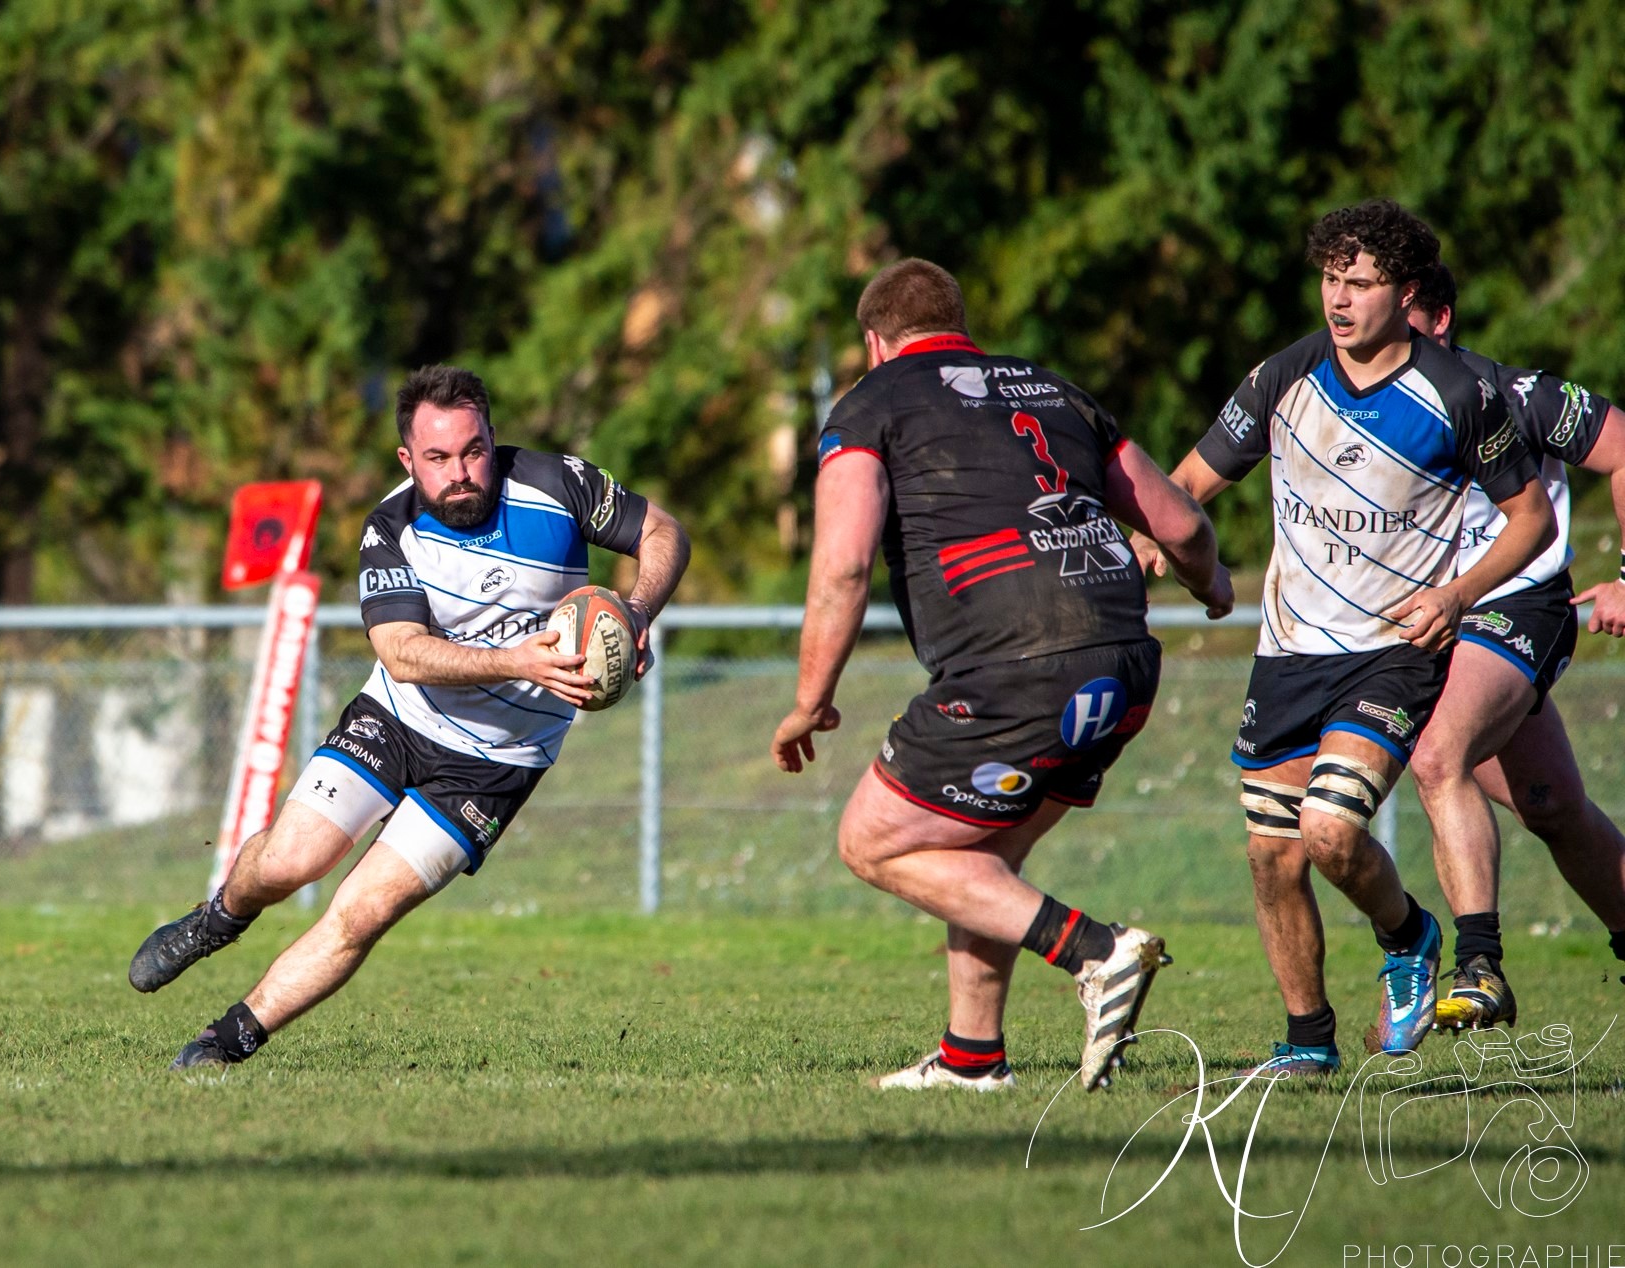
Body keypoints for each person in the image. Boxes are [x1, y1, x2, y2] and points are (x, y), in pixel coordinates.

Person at [129, 365, 691, 1068]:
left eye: (474, 450)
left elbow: (664, 531)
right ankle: (219, 919)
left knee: (364, 910)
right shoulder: (391, 528)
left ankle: (227, 1040)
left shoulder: (560, 485)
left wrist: (635, 613)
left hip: (496, 764)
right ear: (408, 459)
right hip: (398, 720)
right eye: (438, 458)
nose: (461, 472)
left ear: (492, 436)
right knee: (290, 861)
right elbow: (402, 653)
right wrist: (520, 661)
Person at [770, 258, 1235, 1093]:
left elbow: (841, 567)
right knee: (977, 853)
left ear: (875, 343)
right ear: (960, 325)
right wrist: (1212, 587)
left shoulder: (870, 406)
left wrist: (811, 700)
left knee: (872, 841)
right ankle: (972, 1058)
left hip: (1015, 667)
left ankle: (1097, 952)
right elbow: (1177, 521)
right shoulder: (1054, 391)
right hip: (1124, 663)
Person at [1135, 200, 1555, 1076]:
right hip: (1289, 652)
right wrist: (1149, 542)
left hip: (1393, 652)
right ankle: (1308, 1042)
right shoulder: (1285, 375)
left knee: (1330, 831)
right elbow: (1191, 480)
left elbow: (1529, 522)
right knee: (1271, 857)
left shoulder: (1460, 392)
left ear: (1405, 294)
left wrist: (1458, 595)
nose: (1339, 298)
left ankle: (1410, 937)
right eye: (1331, 278)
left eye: (1360, 282)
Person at [1396, 263, 1625, 1029]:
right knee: (1551, 804)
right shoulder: (1363, 413)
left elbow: (1623, 446)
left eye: (1403, 317)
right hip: (1436, 626)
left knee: (1437, 755)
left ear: (1441, 320)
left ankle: (1479, 967)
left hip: (1520, 607)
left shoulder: (1514, 395)